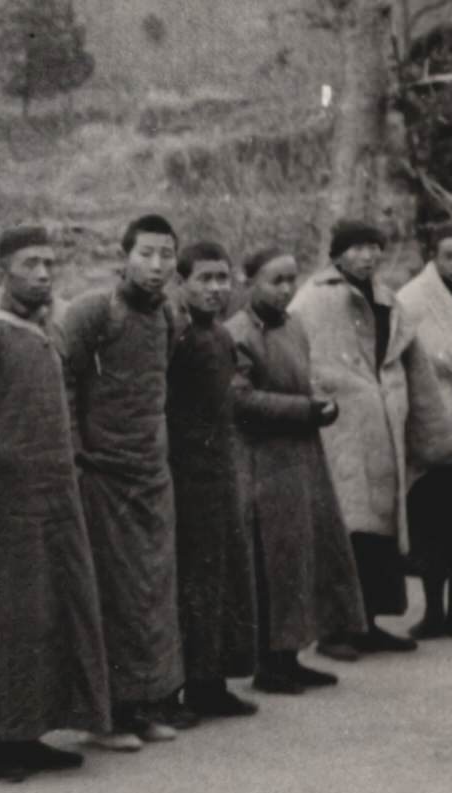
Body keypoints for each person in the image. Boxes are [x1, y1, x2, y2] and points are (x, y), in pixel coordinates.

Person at [0, 224, 112, 778]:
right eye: (29, 265)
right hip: (4, 505)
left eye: (49, 264)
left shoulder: (47, 333)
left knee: (47, 619)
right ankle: (2, 741)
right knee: (9, 623)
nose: (42, 275)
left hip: (53, 501)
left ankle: (32, 731)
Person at [289, 219, 452, 658]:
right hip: (341, 426)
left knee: (378, 529)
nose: (367, 256)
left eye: (373, 247)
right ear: (338, 253)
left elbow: (412, 364)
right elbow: (302, 359)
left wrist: (430, 431)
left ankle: (371, 621)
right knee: (344, 526)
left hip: (384, 424)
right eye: (357, 248)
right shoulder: (315, 299)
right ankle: (334, 629)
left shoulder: (385, 297)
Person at [53, 214, 185, 746]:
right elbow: (62, 377)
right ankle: (102, 716)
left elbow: (159, 386)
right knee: (108, 595)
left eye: (166, 255)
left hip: (151, 475)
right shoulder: (92, 311)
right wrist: (76, 450)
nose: (156, 266)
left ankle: (142, 704)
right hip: (101, 476)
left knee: (150, 593)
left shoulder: (167, 318)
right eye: (146, 254)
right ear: (124, 257)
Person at [226, 248, 362, 694]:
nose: (285, 290)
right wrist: (304, 409)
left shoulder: (294, 326)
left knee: (305, 556)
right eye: (274, 281)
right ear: (249, 283)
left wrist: (321, 400)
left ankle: (292, 653)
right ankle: (268, 664)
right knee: (273, 561)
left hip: (303, 456)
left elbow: (302, 378)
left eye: (290, 280)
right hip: (265, 461)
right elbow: (239, 399)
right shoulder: (239, 333)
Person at [165, 242, 259, 719]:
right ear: (181, 283)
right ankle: (179, 686)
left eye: (223, 279)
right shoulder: (174, 333)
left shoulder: (221, 337)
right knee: (192, 582)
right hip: (184, 476)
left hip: (220, 472)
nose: (216, 289)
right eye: (205, 279)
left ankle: (211, 681)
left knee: (222, 578)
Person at [400, 222, 452, 638]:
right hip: (436, 420)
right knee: (433, 516)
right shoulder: (413, 300)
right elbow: (408, 358)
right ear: (434, 256)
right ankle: (431, 611)